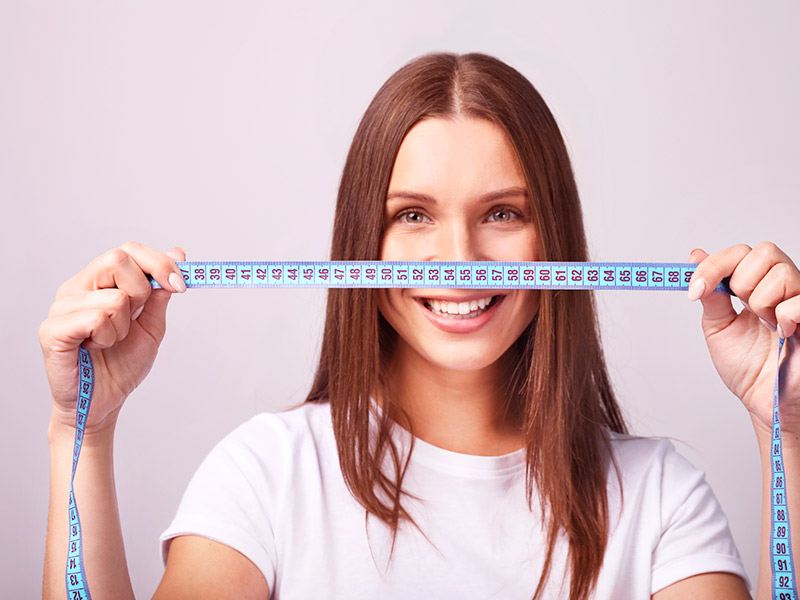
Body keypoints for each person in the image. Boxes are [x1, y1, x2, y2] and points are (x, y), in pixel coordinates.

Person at [40, 52, 799, 600]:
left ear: (555, 241)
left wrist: (787, 431)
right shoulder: (269, 476)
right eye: (412, 216)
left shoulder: (660, 497)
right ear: (360, 250)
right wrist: (83, 429)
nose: (462, 261)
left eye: (503, 213)